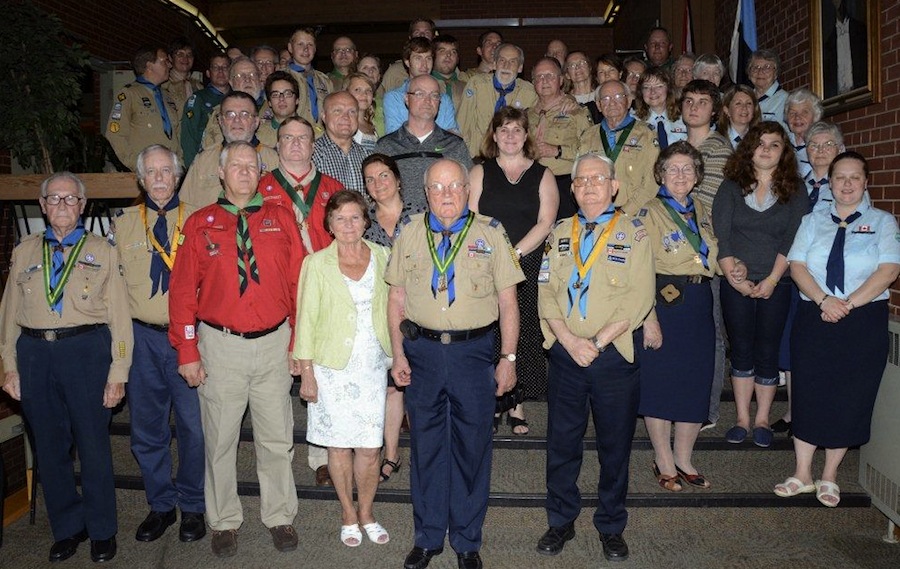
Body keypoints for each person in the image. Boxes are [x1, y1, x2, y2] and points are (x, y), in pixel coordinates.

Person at [168, 141, 305, 557]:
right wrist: (187, 351)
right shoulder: (199, 223)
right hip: (220, 345)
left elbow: (300, 285)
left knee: (277, 438)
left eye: (251, 166)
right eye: (236, 166)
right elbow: (181, 294)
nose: (244, 172)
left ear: (260, 173)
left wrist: (300, 342)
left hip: (274, 343)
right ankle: (224, 521)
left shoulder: (280, 218)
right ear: (221, 174)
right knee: (220, 440)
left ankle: (280, 516)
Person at [386, 159, 524, 569]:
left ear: (468, 190)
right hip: (423, 353)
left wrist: (508, 359)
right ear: (425, 192)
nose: (446, 195)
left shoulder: (490, 233)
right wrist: (397, 354)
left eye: (454, 186)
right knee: (426, 448)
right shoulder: (409, 232)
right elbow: (395, 301)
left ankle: (466, 540)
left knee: (472, 448)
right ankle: (428, 537)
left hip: (474, 354)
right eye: (437, 187)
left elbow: (508, 303)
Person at [0, 172, 132, 563]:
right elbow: (8, 315)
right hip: (35, 354)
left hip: (86, 352)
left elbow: (121, 320)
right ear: (42, 205)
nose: (61, 205)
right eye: (54, 198)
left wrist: (118, 370)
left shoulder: (103, 251)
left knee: (93, 444)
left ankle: (102, 529)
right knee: (49, 446)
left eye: (70, 199)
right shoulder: (24, 252)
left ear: (83, 205)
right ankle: (68, 527)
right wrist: (8, 366)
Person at [535, 153, 654, 562]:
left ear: (614, 186)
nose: (588, 186)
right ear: (572, 189)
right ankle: (560, 521)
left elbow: (639, 297)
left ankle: (610, 525)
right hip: (567, 355)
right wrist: (569, 341)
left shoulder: (635, 233)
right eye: (581, 180)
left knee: (614, 446)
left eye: (597, 179)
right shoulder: (559, 232)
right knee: (562, 444)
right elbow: (546, 290)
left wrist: (597, 343)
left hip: (612, 358)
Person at [775, 151, 900, 507]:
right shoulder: (812, 221)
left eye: (854, 177)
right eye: (839, 178)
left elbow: (888, 270)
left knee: (849, 395)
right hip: (815, 314)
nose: (846, 184)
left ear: (865, 182)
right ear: (830, 183)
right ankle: (801, 473)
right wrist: (823, 301)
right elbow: (797, 265)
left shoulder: (883, 222)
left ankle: (829, 475)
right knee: (809, 390)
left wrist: (847, 304)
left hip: (862, 320)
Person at [111, 145, 205, 544]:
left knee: (193, 428)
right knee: (147, 430)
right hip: (143, 338)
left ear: (178, 175)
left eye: (167, 170)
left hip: (189, 337)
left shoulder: (200, 221)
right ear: (141, 179)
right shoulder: (123, 225)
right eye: (152, 172)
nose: (161, 178)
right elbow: (112, 292)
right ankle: (161, 505)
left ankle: (194, 506)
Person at [294, 191, 392, 546]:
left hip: (372, 366)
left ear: (366, 221)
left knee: (369, 446)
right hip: (331, 367)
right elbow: (306, 320)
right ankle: (348, 513)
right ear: (329, 225)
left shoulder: (384, 256)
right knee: (338, 446)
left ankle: (367, 512)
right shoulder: (316, 263)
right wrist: (306, 371)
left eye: (355, 217)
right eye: (340, 218)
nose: (348, 224)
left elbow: (395, 311)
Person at [712, 122, 807, 448]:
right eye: (760, 143)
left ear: (784, 152)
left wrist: (771, 279)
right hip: (735, 282)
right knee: (741, 349)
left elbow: (794, 238)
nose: (766, 149)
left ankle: (763, 418)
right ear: (749, 148)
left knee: (767, 352)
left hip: (776, 282)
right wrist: (733, 277)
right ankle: (741, 418)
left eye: (775, 144)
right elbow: (720, 236)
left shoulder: (795, 189)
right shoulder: (730, 187)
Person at [469, 107, 559, 433]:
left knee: (520, 330)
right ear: (494, 135)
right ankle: (493, 400)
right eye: (504, 130)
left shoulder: (543, 174)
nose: (510, 136)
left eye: (517, 130)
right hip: (484, 261)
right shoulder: (480, 172)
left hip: (527, 260)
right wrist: (494, 255)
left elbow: (546, 222)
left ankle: (516, 401)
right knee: (489, 328)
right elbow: (471, 217)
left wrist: (513, 253)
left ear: (526, 136)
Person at [637, 142, 718, 492]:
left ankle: (684, 458)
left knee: (695, 380)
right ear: (661, 174)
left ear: (698, 175)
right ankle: (663, 459)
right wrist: (648, 317)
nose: (680, 175)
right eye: (673, 169)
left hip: (699, 300)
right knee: (661, 382)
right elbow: (639, 271)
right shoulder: (648, 212)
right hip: (664, 301)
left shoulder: (701, 209)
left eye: (688, 169)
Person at [771, 121, 848, 435]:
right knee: (793, 347)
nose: (820, 151)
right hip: (793, 276)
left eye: (828, 145)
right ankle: (794, 412)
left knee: (826, 352)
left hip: (829, 282)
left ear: (839, 149)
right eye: (814, 145)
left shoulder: (845, 185)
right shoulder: (794, 181)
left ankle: (823, 413)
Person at [361, 154, 420, 484]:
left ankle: (426, 455)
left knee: (422, 389)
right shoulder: (364, 221)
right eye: (370, 179)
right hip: (382, 311)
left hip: (423, 311)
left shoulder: (422, 215)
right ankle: (392, 453)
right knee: (392, 388)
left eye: (384, 176)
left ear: (398, 180)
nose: (378, 183)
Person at [374, 74, 473, 214]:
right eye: (420, 94)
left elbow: (469, 190)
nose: (427, 101)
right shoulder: (386, 146)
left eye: (434, 95)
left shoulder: (455, 145)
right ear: (407, 99)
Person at [180, 91, 279, 208]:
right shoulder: (203, 161)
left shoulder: (275, 161)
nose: (237, 120)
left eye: (245, 114)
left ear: (256, 122)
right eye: (230, 114)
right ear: (220, 121)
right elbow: (185, 207)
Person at [259, 116, 341, 254]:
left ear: (313, 146)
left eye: (302, 137)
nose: (296, 143)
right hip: (283, 272)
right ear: (278, 146)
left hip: (326, 270)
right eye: (288, 137)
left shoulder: (335, 189)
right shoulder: (260, 189)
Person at [580, 80, 660, 215]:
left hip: (634, 215)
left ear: (628, 101)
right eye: (605, 98)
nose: (612, 102)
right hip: (596, 214)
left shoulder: (646, 134)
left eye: (618, 97)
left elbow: (651, 183)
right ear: (599, 105)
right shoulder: (588, 136)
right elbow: (581, 179)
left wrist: (623, 213)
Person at [527, 57, 591, 220]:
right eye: (539, 77)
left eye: (550, 75)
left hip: (564, 185)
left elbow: (591, 151)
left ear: (561, 80)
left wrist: (558, 150)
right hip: (531, 183)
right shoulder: (527, 116)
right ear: (533, 82)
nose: (545, 81)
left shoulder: (577, 112)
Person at [107, 45, 180, 171]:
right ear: (150, 66)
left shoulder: (167, 97)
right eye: (164, 61)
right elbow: (115, 135)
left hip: (170, 171)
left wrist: (180, 163)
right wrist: (137, 166)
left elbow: (177, 134)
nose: (170, 65)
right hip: (145, 172)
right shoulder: (129, 94)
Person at [458, 43, 538, 157]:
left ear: (520, 67)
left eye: (512, 62)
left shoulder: (529, 92)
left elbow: (532, 129)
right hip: (478, 156)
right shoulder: (477, 84)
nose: (506, 66)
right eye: (502, 60)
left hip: (512, 158)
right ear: (494, 64)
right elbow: (462, 123)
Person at [382, 38, 459, 135]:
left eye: (428, 58)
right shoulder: (394, 98)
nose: (424, 65)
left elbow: (452, 139)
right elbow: (396, 139)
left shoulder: (444, 100)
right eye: (418, 58)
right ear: (407, 62)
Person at [313, 91, 370, 194]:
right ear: (324, 116)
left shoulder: (367, 156)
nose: (346, 117)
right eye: (338, 111)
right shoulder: (312, 155)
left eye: (352, 112)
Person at [181, 54, 231, 168]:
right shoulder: (198, 99)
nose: (220, 71)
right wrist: (192, 168)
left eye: (225, 67)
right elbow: (189, 135)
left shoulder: (238, 98)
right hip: (206, 163)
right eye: (215, 67)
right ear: (208, 73)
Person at [286, 27, 334, 126]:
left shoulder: (324, 81)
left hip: (321, 137)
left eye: (310, 45)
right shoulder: (280, 79)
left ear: (315, 49)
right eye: (300, 44)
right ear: (290, 48)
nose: (306, 49)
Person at [633, 67, 687, 149]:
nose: (653, 92)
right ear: (641, 91)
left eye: (659, 86)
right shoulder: (633, 120)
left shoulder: (685, 118)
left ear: (668, 89)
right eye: (647, 87)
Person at [380, 18, 438, 94]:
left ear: (433, 37)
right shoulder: (394, 72)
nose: (422, 35)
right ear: (410, 37)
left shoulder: (442, 69)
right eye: (417, 32)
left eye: (427, 33)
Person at [784, 88, 824, 179]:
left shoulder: (826, 144)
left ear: (816, 116)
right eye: (792, 113)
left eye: (804, 112)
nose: (797, 117)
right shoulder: (781, 143)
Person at [257, 70, 300, 147]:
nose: (281, 99)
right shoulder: (258, 135)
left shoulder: (312, 133)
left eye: (287, 93)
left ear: (297, 100)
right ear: (269, 102)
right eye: (275, 94)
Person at [162, 38, 203, 116]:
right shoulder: (163, 86)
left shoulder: (199, 87)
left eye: (189, 55)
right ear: (170, 58)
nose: (185, 58)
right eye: (180, 54)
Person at [747, 50, 788, 126]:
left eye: (767, 67)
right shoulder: (745, 99)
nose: (760, 72)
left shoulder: (786, 100)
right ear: (749, 74)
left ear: (776, 73)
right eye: (756, 67)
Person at [431, 35, 469, 112]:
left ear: (458, 59)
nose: (448, 55)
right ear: (432, 56)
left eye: (453, 52)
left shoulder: (467, 88)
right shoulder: (422, 85)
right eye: (442, 51)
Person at [717, 84, 760, 150]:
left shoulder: (761, 139)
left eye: (749, 103)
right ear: (726, 110)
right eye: (738, 103)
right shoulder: (717, 139)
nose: (744, 108)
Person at [346, 73, 379, 152]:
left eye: (369, 90)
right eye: (357, 90)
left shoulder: (372, 125)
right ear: (346, 93)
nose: (364, 94)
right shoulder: (345, 124)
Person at [588, 53, 625, 123]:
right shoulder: (590, 108)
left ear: (620, 74)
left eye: (611, 70)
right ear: (597, 78)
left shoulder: (632, 103)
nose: (607, 75)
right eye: (601, 72)